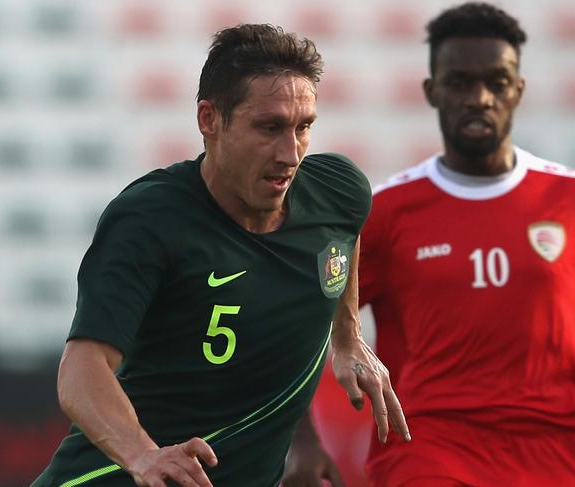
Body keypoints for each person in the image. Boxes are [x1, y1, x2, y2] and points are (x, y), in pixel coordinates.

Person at [30, 24, 409, 487]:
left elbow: (345, 237)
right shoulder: (150, 218)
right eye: (268, 128)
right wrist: (144, 456)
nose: (291, 153)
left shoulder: (339, 191)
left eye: (303, 127)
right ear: (209, 119)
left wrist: (346, 337)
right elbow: (81, 372)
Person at [284, 3, 575, 486]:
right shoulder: (387, 211)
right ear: (432, 90)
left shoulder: (566, 199)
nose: (479, 98)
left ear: (518, 90)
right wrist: (303, 443)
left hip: (555, 453)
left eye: (497, 83)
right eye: (460, 82)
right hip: (430, 452)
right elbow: (298, 322)